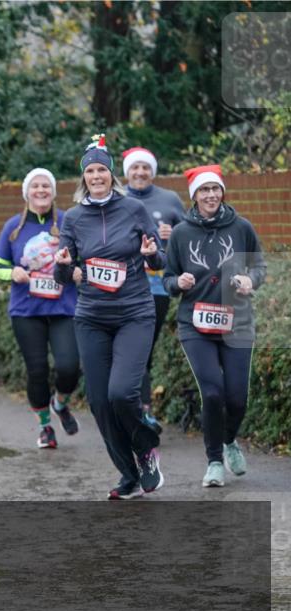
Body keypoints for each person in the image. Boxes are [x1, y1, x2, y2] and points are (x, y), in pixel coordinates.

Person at [53, 134, 165, 500]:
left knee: (121, 393)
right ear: (83, 177)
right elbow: (62, 275)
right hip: (91, 316)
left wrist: (150, 254)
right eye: (90, 171)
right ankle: (128, 474)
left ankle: (146, 447)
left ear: (111, 174)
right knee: (99, 402)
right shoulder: (73, 218)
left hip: (134, 312)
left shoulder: (133, 208)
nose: (96, 176)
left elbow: (159, 260)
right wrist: (63, 266)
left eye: (102, 170)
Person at [163, 165, 266, 488]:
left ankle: (229, 439)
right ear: (194, 195)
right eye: (204, 190)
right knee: (211, 392)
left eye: (215, 189)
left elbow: (259, 265)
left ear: (222, 192)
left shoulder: (241, 227)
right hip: (195, 323)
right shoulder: (181, 233)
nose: (210, 195)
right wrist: (178, 283)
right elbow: (167, 278)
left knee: (237, 399)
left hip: (238, 323)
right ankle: (214, 462)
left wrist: (251, 280)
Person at [0, 168, 82, 449]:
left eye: (46, 186)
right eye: (35, 186)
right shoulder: (13, 226)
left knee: (69, 366)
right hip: (26, 310)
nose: (41, 190)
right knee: (37, 370)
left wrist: (76, 271)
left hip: (64, 308)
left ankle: (60, 403)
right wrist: (12, 273)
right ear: (27, 193)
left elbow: (84, 258)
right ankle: (45, 427)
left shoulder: (68, 221)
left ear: (53, 192)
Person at [122, 146, 187, 434]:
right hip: (122, 288)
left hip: (156, 287)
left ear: (153, 171)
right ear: (127, 172)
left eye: (145, 167)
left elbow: (190, 237)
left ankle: (141, 411)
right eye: (135, 167)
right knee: (130, 349)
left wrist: (174, 235)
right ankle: (135, 409)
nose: (140, 172)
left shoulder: (169, 199)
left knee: (143, 348)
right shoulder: (117, 198)